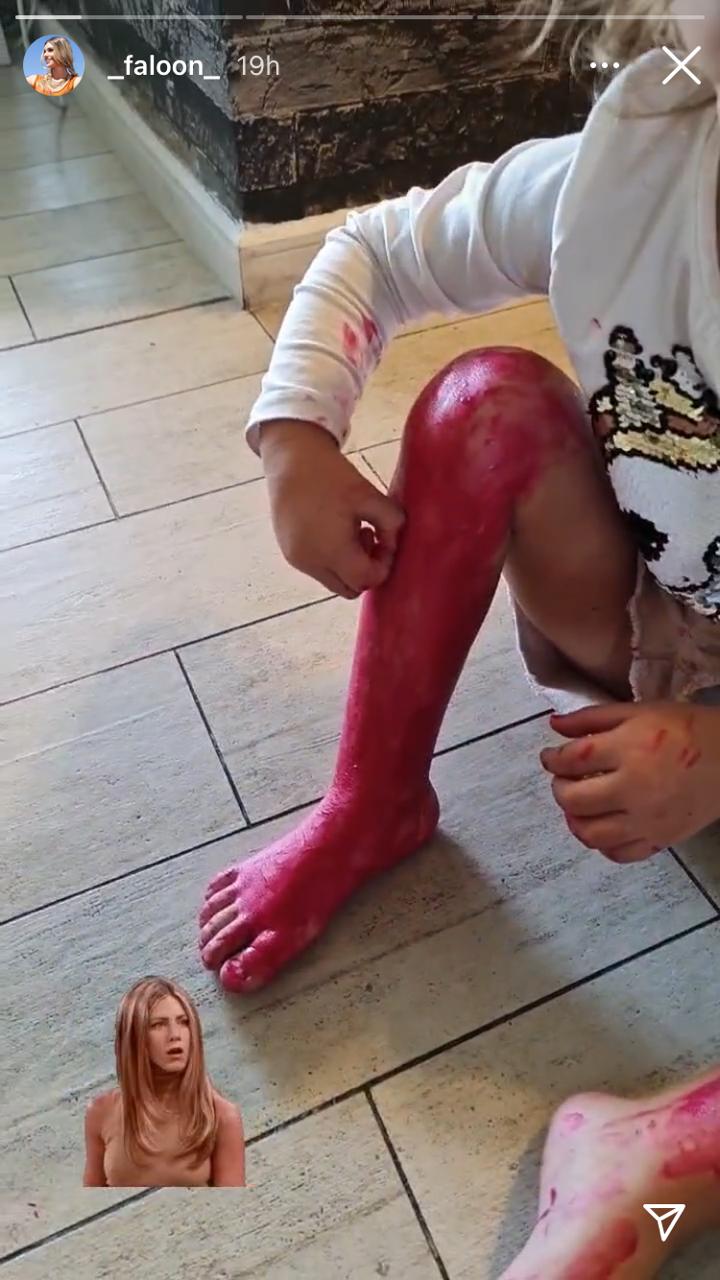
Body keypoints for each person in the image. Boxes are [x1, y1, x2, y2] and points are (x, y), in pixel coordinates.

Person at [199, 0, 720, 1267]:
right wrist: (297, 432)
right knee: (484, 405)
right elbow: (375, 249)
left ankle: (669, 1164)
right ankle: (373, 798)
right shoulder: (644, 152)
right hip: (658, 622)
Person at [83, 976, 245, 1187]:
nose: (175, 1035)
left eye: (183, 1022)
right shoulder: (100, 1113)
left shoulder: (222, 1117)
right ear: (134, 1037)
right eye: (158, 1024)